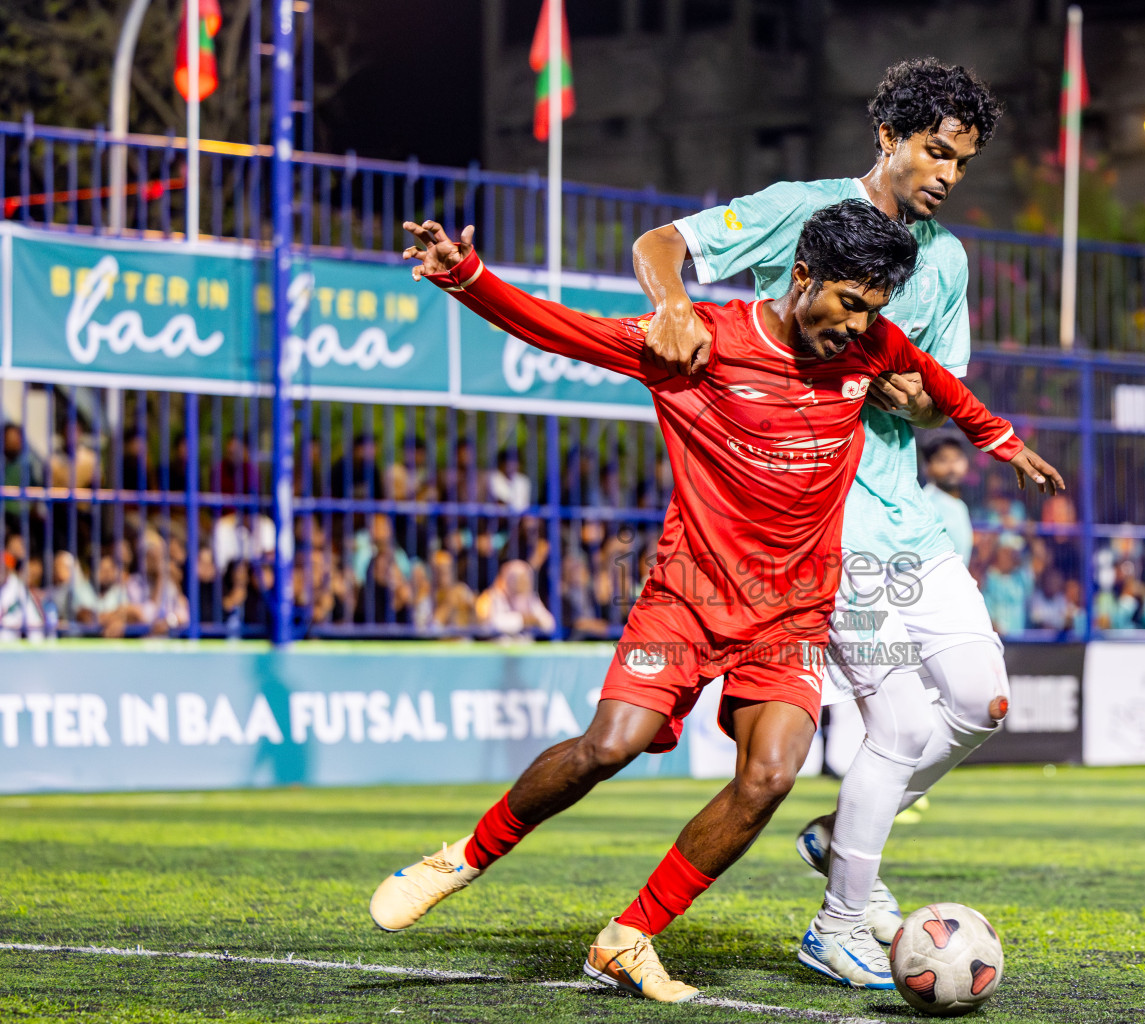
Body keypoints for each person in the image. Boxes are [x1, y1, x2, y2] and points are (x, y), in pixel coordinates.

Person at [368, 205, 1060, 1002]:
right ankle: (462, 858)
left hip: (792, 613)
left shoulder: (871, 346)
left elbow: (941, 387)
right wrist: (465, 276)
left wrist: (1005, 443)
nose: (858, 326)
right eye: (848, 304)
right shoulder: (699, 341)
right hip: (688, 597)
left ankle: (628, 939)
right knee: (608, 748)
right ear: (802, 276)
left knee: (770, 776)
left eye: (873, 310)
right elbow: (562, 331)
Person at [630, 58, 1026, 987]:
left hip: (909, 521)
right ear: (888, 137)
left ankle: (843, 832)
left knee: (985, 703)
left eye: (962, 163)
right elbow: (660, 244)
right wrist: (674, 306)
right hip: (821, 519)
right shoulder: (799, 209)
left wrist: (912, 395)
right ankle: (840, 923)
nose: (947, 175)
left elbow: (938, 396)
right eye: (935, 152)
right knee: (899, 721)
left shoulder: (947, 260)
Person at [921, 435, 973, 567]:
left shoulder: (959, 505)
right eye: (943, 460)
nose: (952, 467)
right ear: (927, 466)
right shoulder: (925, 504)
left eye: (957, 459)